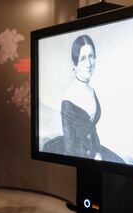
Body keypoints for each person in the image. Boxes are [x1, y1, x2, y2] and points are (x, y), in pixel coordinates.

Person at [43, 34, 123, 163]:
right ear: (75, 64)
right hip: (77, 154)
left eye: (91, 56)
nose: (89, 63)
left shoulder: (91, 90)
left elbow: (93, 131)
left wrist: (97, 152)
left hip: (94, 150)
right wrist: (92, 157)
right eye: (83, 59)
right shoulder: (69, 99)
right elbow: (70, 148)